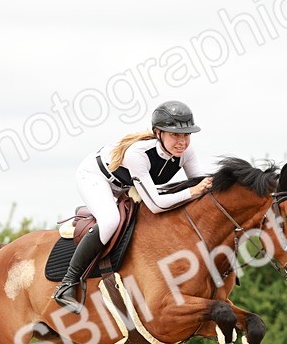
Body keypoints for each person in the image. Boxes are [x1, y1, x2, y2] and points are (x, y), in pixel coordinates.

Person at [53, 100, 214, 312]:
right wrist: (193, 191)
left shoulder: (186, 153)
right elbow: (157, 204)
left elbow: (201, 185)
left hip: (128, 185)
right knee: (110, 221)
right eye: (175, 135)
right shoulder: (138, 154)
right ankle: (67, 284)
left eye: (186, 135)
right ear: (158, 133)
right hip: (96, 177)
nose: (182, 142)